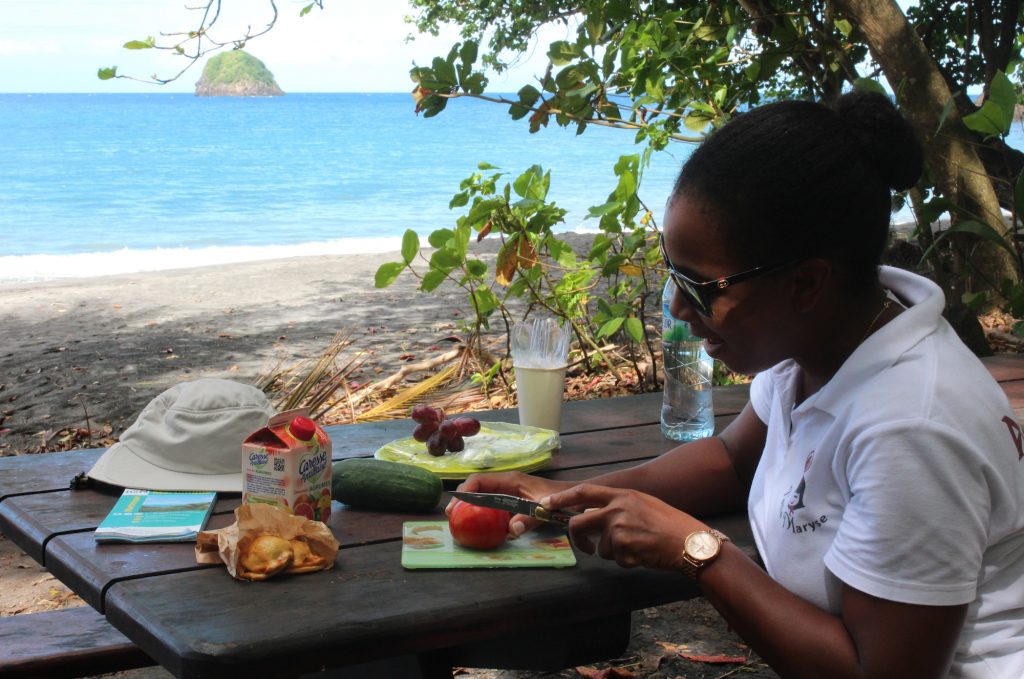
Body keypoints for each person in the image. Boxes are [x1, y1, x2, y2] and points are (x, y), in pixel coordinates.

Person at [450, 91, 1024, 677]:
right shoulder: (821, 341)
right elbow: (731, 459)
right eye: (672, 273)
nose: (676, 305)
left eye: (701, 287)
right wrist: (573, 498)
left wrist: (696, 552)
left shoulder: (912, 427)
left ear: (805, 283)